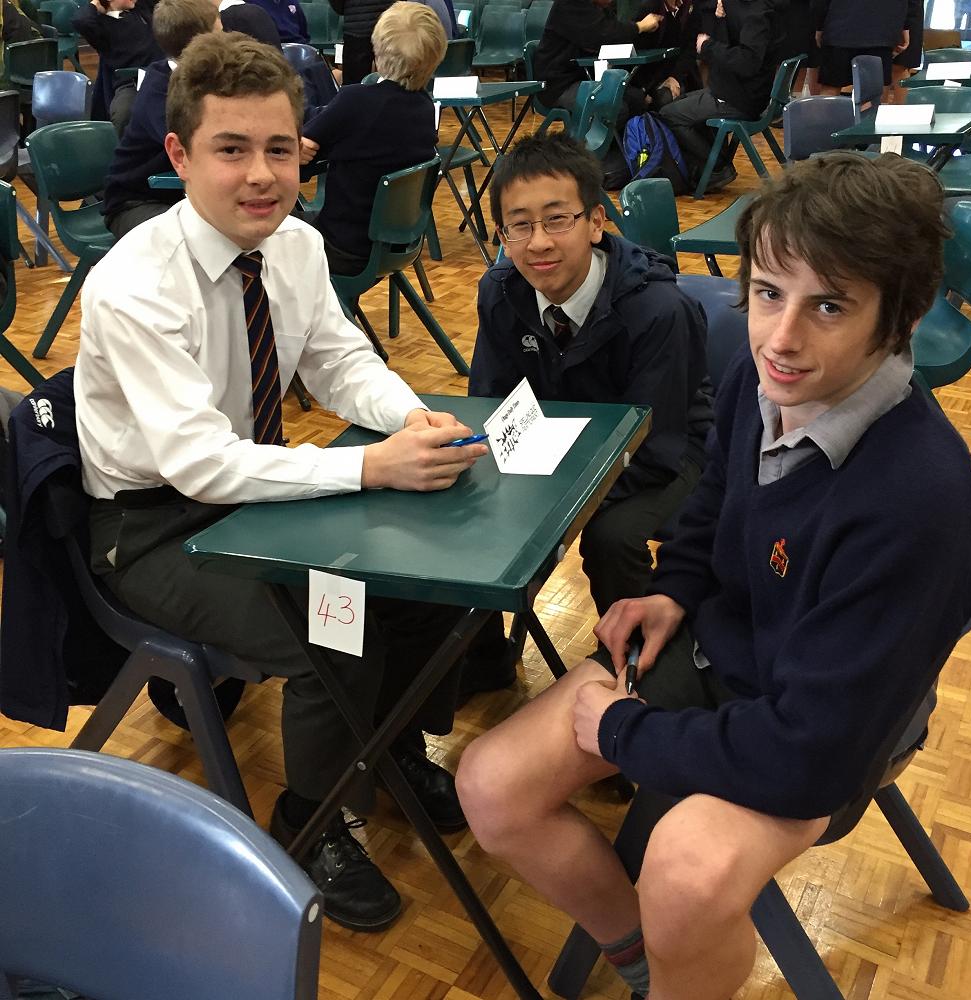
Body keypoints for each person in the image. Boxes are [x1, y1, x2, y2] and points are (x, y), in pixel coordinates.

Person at [456, 152, 971, 1000]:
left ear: (900, 317)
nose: (781, 338)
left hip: (835, 727)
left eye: (828, 306)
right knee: (491, 785)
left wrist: (622, 732)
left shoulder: (917, 500)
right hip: (728, 652)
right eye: (769, 293)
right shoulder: (761, 379)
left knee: (688, 872)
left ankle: (678, 969)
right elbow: (712, 504)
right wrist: (676, 589)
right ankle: (650, 962)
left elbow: (810, 752)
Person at [74, 31, 489, 932]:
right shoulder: (134, 284)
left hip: (243, 487)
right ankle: (309, 822)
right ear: (180, 155)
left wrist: (404, 414)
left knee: (417, 580)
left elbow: (339, 360)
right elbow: (198, 463)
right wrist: (370, 466)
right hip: (151, 524)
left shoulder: (294, 245)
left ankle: (388, 747)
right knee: (332, 630)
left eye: (279, 149)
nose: (261, 175)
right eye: (231, 150)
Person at [465, 132, 712, 694]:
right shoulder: (500, 292)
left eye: (558, 220)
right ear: (502, 235)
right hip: (560, 447)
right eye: (518, 226)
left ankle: (632, 678)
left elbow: (659, 443)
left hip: (667, 451)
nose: (538, 243)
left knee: (611, 535)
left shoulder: (658, 309)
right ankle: (482, 661)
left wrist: (564, 505)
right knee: (470, 501)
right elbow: (493, 402)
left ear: (596, 222)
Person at [299, 1, 445, 275]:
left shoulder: (354, 101)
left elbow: (301, 149)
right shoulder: (426, 108)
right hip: (395, 245)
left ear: (375, 50)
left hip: (339, 246)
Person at [102, 0, 221, 240]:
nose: (226, 39)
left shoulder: (207, 79)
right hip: (137, 202)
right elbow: (194, 146)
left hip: (181, 195)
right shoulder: (159, 89)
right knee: (208, 236)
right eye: (220, 32)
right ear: (201, 43)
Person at [656, 0, 784, 189]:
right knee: (677, 102)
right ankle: (709, 167)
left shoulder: (757, 15)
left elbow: (747, 62)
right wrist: (721, 20)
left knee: (669, 114)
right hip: (734, 91)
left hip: (739, 98)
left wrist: (708, 46)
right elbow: (732, 46)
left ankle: (717, 166)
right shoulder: (752, 10)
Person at [533, 0, 664, 121]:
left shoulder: (599, 7)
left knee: (637, 99)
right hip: (558, 85)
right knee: (616, 108)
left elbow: (614, 30)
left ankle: (625, 144)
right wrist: (639, 26)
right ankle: (588, 144)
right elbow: (604, 34)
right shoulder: (570, 4)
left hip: (584, 78)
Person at [813, 0, 922, 102]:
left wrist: (819, 25)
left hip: (840, 26)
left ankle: (825, 122)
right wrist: (905, 25)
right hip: (881, 28)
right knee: (871, 94)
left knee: (831, 87)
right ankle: (867, 122)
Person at [73, 0, 163, 120]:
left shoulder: (140, 9)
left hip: (159, 73)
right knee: (124, 112)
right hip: (131, 81)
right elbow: (81, 21)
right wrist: (95, 3)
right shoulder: (102, 26)